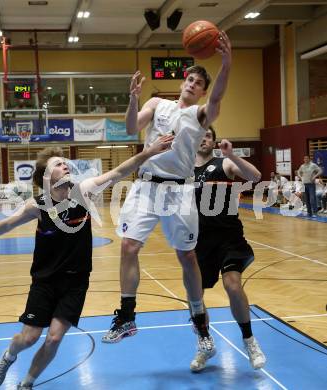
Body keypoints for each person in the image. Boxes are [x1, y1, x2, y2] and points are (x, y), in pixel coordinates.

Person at [0, 138, 174, 390]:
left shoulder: (83, 192)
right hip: (44, 281)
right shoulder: (37, 206)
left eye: (65, 162)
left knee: (54, 338)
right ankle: (9, 355)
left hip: (75, 281)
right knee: (28, 338)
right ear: (46, 176)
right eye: (58, 163)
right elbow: (8, 223)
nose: (64, 165)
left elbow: (119, 172)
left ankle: (26, 383)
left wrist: (148, 152)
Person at [102, 31, 232, 364]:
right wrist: (132, 100)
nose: (191, 83)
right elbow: (131, 127)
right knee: (129, 245)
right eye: (188, 78)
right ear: (182, 82)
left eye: (197, 82)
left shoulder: (200, 115)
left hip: (179, 190)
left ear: (202, 91)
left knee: (187, 257)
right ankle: (127, 316)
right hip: (146, 185)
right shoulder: (157, 105)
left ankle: (201, 326)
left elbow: (217, 99)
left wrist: (227, 62)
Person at [191, 127, 266, 371]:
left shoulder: (224, 164)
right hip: (199, 242)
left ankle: (249, 340)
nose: (204, 139)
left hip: (228, 238)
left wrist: (232, 155)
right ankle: (205, 343)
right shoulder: (183, 169)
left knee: (232, 285)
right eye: (200, 136)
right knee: (194, 297)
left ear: (213, 141)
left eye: (208, 136)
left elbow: (255, 176)